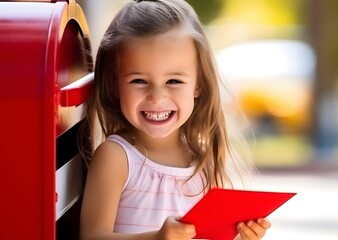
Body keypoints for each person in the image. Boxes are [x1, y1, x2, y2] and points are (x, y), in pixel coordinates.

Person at [78, 0, 271, 239]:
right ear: (114, 85)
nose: (157, 98)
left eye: (174, 81)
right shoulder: (116, 156)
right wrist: (156, 238)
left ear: (198, 85)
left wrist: (242, 235)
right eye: (139, 81)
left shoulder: (204, 163)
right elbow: (93, 235)